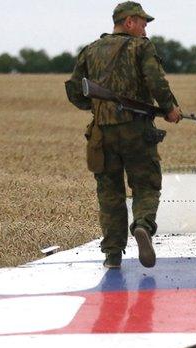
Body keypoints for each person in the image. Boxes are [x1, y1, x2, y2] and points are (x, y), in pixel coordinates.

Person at [65, 1, 183, 269]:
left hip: (101, 134)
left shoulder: (90, 50)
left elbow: (74, 90)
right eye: (143, 23)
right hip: (136, 130)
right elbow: (156, 82)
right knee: (146, 184)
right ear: (129, 22)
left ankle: (113, 255)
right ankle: (142, 225)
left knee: (109, 193)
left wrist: (96, 107)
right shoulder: (141, 47)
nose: (145, 29)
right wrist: (170, 109)